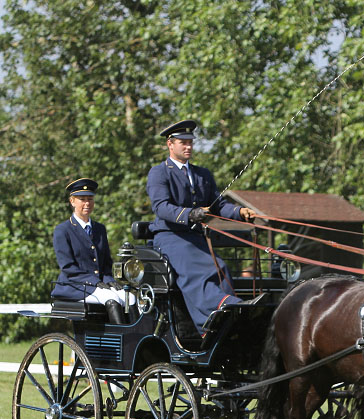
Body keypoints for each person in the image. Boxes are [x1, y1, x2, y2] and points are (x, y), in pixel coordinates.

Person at [145, 119, 256, 334]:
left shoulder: (202, 174)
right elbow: (161, 207)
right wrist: (190, 214)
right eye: (183, 142)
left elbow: (218, 205)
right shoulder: (159, 173)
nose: (188, 147)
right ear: (170, 144)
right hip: (170, 237)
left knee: (220, 267)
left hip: (195, 238)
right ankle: (214, 314)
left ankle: (225, 321)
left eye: (190, 143)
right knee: (194, 270)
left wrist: (239, 213)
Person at [52, 178, 131, 324]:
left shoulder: (100, 229)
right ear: (72, 201)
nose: (87, 203)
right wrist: (95, 282)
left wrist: (110, 281)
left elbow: (106, 263)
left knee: (130, 298)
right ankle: (123, 343)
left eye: (90, 199)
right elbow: (68, 268)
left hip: (99, 285)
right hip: (74, 285)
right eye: (82, 199)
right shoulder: (63, 230)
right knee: (111, 299)